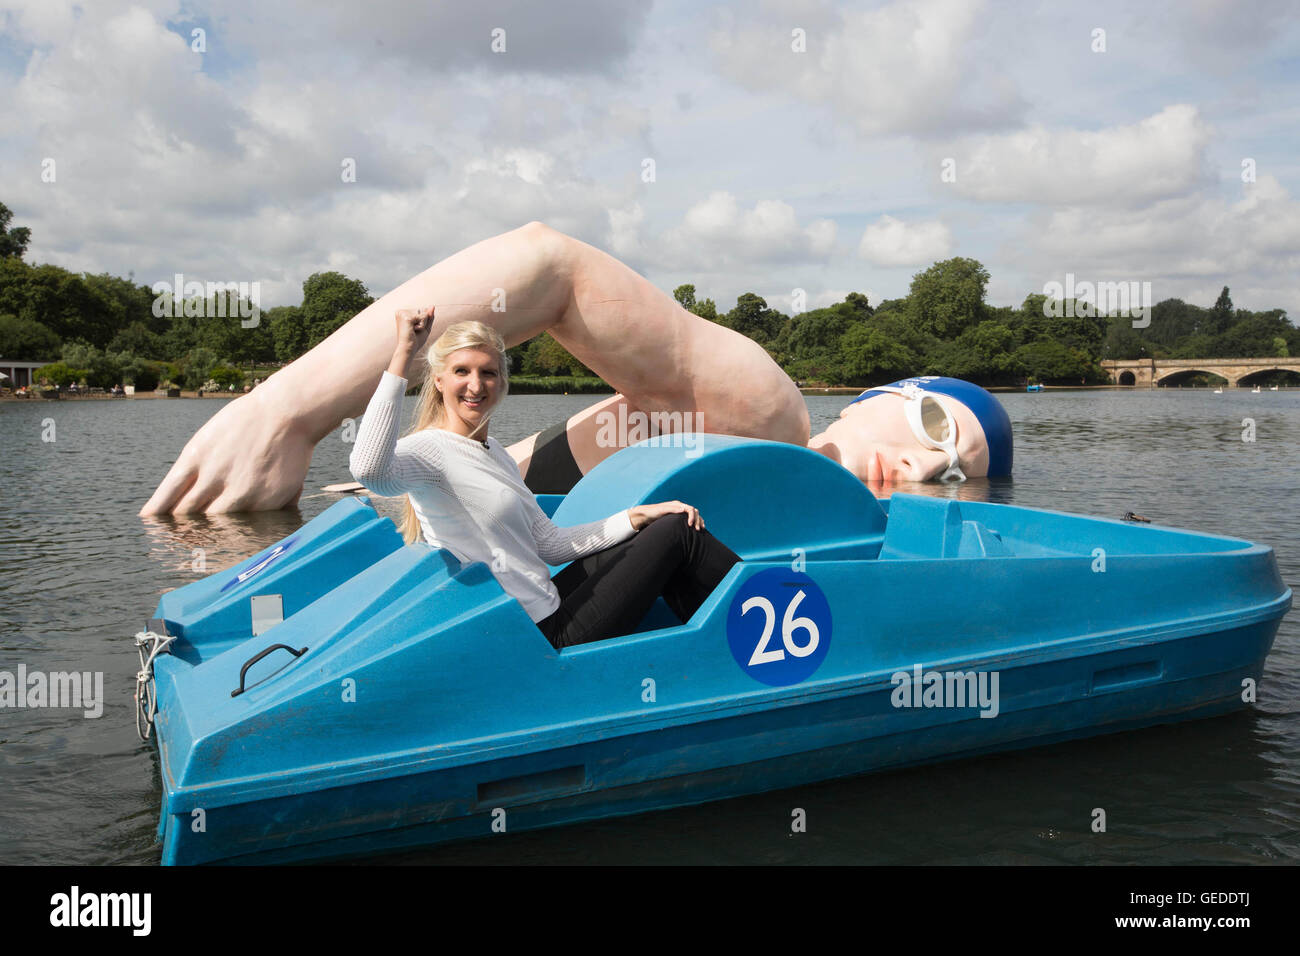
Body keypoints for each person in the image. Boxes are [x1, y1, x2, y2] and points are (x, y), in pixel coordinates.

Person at [140, 221, 1010, 515]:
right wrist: (285, 411)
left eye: (957, 476)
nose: (928, 465)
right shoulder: (767, 409)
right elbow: (549, 266)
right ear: (868, 405)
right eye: (938, 427)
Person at [349, 310, 742, 650]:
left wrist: (638, 516)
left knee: (659, 528)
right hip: (538, 634)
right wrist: (402, 354)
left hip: (549, 603)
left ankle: (723, 644)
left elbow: (550, 545)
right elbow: (370, 470)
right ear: (438, 381)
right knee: (678, 532)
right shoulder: (430, 450)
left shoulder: (496, 453)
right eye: (461, 372)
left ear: (502, 381)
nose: (475, 385)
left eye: (488, 373)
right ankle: (765, 626)